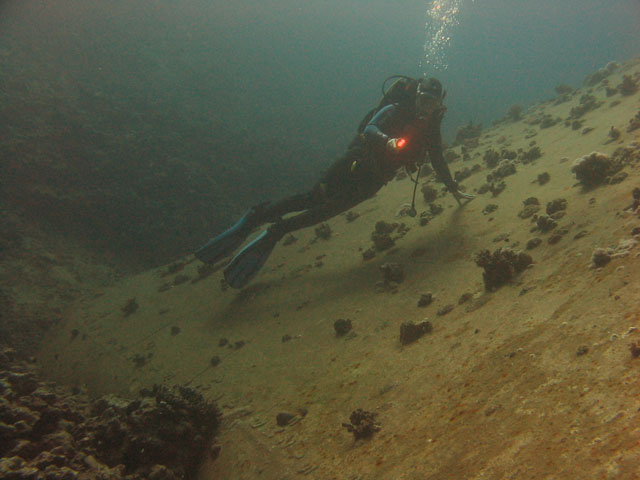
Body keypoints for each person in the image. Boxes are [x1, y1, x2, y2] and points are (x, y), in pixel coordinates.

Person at [196, 76, 474, 288]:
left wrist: (452, 187)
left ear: (439, 105)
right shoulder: (396, 109)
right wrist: (387, 141)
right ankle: (254, 218)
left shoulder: (431, 128)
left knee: (325, 212)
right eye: (423, 100)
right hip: (355, 163)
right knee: (312, 198)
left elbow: (437, 157)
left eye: (432, 104)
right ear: (416, 96)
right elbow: (370, 127)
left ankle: (276, 232)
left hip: (375, 181)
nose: (426, 108)